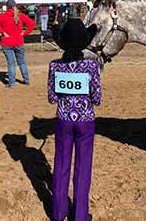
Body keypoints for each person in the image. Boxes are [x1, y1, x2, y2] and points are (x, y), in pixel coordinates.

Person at [48, 19, 102, 221]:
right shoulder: (91, 66)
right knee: (83, 167)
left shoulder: (55, 66)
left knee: (61, 164)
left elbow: (52, 97)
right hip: (85, 120)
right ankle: (80, 215)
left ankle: (59, 212)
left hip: (63, 119)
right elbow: (97, 98)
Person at [0, 0, 36, 88]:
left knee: (11, 63)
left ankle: (12, 83)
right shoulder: (20, 15)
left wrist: (2, 32)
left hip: (7, 43)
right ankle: (26, 80)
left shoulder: (3, 16)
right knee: (22, 62)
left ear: (7, 7)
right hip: (19, 41)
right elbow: (32, 24)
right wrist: (24, 33)